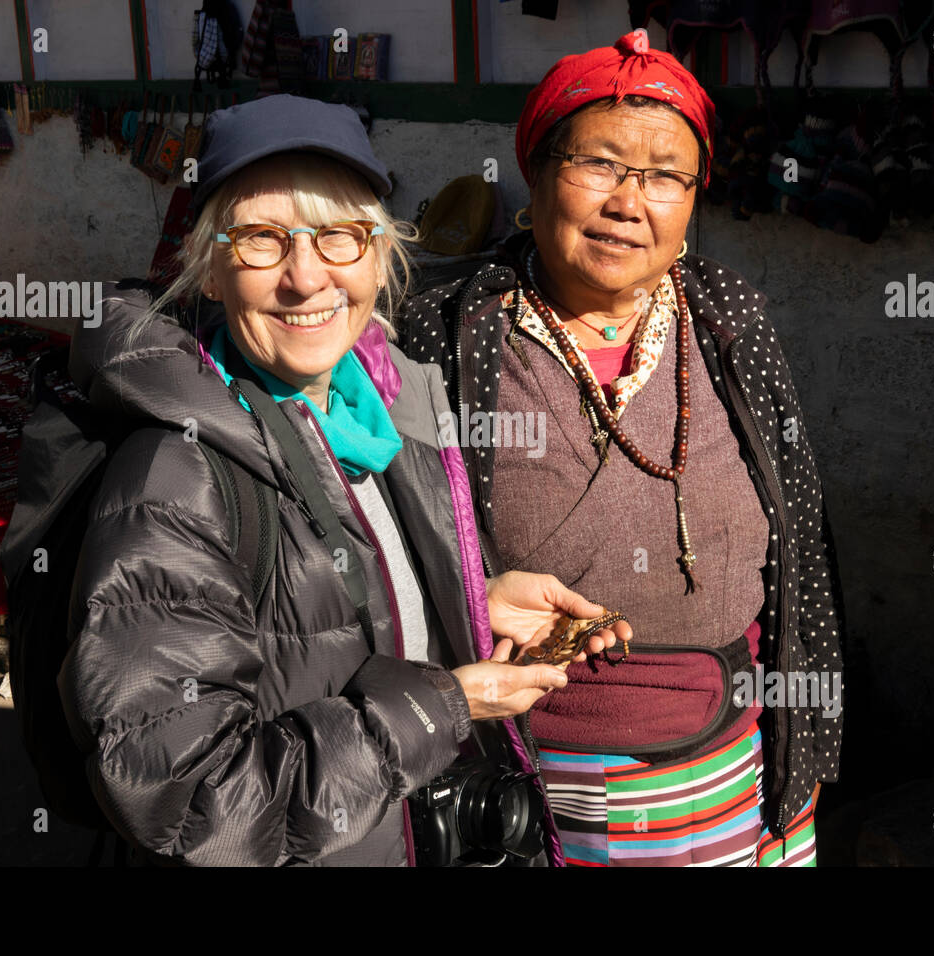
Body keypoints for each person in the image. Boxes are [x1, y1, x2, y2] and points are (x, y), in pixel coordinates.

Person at [60, 93, 627, 866]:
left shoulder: (386, 408)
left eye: (339, 237)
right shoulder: (178, 474)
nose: (305, 278)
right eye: (262, 239)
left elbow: (327, 607)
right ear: (211, 270)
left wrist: (461, 595)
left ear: (380, 254)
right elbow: (189, 797)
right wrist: (447, 705)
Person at [402, 31, 846, 867]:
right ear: (535, 175)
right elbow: (383, 544)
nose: (627, 201)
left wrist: (806, 741)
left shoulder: (729, 319)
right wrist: (468, 595)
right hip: (523, 776)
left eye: (667, 176)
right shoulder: (448, 333)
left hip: (730, 757)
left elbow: (801, 531)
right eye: (597, 164)